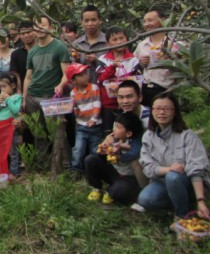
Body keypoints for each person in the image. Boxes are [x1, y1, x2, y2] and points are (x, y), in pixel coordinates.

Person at [135, 92, 210, 221]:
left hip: (189, 184)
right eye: (157, 108)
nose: (161, 112)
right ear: (152, 111)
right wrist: (169, 169)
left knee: (173, 177)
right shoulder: (148, 136)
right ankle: (180, 203)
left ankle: (182, 215)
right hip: (163, 182)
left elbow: (197, 169)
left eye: (166, 108)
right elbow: (148, 168)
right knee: (145, 199)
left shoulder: (187, 135)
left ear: (175, 112)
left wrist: (201, 200)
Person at [22, 15, 70, 164]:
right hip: (33, 97)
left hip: (52, 97)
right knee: (38, 133)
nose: (40, 28)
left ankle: (66, 165)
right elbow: (28, 77)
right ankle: (43, 165)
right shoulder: (32, 51)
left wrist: (61, 85)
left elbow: (67, 73)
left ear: (50, 27)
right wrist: (24, 97)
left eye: (43, 24)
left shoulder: (59, 47)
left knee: (57, 132)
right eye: (36, 26)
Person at [85, 111, 144, 205]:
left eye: (118, 127)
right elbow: (101, 157)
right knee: (90, 160)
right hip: (114, 173)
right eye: (114, 125)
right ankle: (96, 188)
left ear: (128, 133)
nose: (114, 129)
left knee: (120, 191)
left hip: (128, 178)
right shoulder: (112, 138)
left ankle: (110, 191)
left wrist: (120, 153)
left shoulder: (134, 141)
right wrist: (103, 147)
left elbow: (135, 152)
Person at [96, 26, 142, 132]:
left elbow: (138, 81)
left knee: (130, 132)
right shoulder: (103, 60)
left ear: (127, 39)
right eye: (115, 39)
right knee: (109, 133)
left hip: (129, 104)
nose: (119, 41)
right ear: (108, 43)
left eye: (121, 38)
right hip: (109, 104)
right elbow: (100, 80)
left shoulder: (134, 60)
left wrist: (120, 84)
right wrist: (112, 67)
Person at [134, 7, 180, 103]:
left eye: (150, 20)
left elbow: (183, 68)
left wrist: (172, 59)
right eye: (145, 21)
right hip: (145, 89)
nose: (146, 24)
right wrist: (142, 63)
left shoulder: (174, 45)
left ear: (162, 20)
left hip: (165, 90)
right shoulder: (141, 45)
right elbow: (134, 66)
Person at [68, 63, 103, 176]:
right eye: (81, 75)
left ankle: (95, 172)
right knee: (78, 149)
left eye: (85, 74)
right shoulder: (73, 93)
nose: (85, 76)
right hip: (81, 126)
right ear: (73, 81)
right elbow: (75, 108)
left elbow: (97, 105)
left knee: (95, 150)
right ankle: (76, 171)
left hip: (95, 125)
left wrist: (93, 119)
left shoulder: (94, 88)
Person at [0, 73, 23, 177]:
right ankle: (2, 170)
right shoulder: (0, 98)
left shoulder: (17, 97)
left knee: (13, 150)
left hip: (11, 126)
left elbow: (15, 110)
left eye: (5, 86)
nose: (2, 89)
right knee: (1, 150)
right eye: (1, 86)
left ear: (13, 86)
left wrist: (8, 99)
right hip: (1, 126)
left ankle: (14, 171)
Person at [72, 5, 107, 82]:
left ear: (100, 20)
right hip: (83, 90)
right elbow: (72, 71)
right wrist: (76, 60)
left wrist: (97, 61)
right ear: (82, 22)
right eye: (86, 20)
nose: (90, 23)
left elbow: (116, 65)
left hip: (104, 87)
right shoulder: (76, 44)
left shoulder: (109, 42)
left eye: (93, 20)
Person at [10, 20, 36, 91]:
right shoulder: (16, 54)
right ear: (19, 35)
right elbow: (16, 75)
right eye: (22, 34)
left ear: (35, 31)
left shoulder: (43, 51)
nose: (26, 35)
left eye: (28, 32)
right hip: (25, 91)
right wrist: (19, 92)